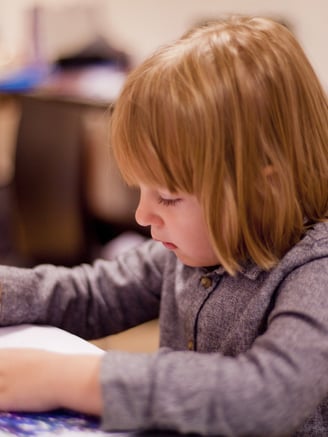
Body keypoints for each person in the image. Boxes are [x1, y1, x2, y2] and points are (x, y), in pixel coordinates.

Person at [0, 15, 327, 436]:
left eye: (169, 197)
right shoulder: (187, 254)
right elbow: (88, 296)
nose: (142, 216)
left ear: (265, 188)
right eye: (140, 189)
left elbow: (267, 395)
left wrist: (72, 379)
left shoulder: (314, 272)